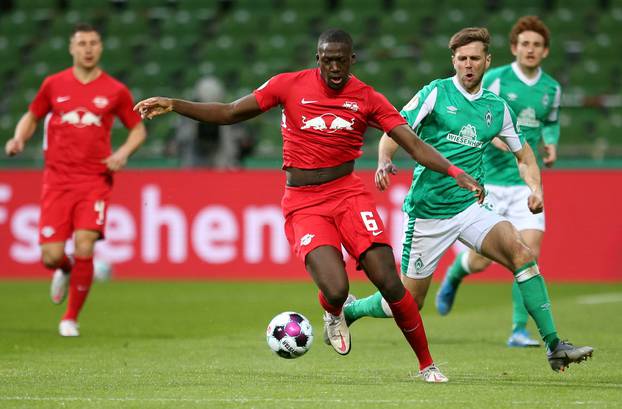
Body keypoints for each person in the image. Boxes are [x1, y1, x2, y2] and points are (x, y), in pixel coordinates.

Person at [134, 29, 485, 383]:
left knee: (391, 282)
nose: (334, 67)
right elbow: (228, 112)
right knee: (336, 289)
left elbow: (412, 143)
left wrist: (455, 171)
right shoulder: (288, 85)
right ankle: (334, 311)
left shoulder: (366, 97)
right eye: (327, 59)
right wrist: (175, 104)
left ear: (352, 60)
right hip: (304, 202)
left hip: (348, 194)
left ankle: (427, 365)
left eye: (341, 60)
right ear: (318, 58)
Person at [343, 27, 593, 372]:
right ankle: (352, 310)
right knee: (408, 300)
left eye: (475, 58)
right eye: (462, 59)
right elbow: (395, 129)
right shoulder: (436, 92)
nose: (468, 65)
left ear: (487, 61)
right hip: (428, 211)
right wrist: (385, 159)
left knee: (522, 252)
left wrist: (536, 189)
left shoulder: (496, 108)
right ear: (454, 61)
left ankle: (554, 345)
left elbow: (525, 156)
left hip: (471, 207)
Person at [4, 23, 146, 337]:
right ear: (71, 48)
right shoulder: (54, 84)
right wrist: (18, 139)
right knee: (51, 256)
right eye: (82, 43)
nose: (88, 49)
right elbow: (32, 115)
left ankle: (70, 318)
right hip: (56, 180)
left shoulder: (115, 90)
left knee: (85, 243)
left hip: (95, 179)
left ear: (101, 47)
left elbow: (138, 128)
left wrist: (122, 153)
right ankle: (64, 269)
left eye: (93, 43)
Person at [435, 16, 562, 348]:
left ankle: (519, 329)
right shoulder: (495, 80)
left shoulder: (552, 89)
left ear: (545, 51)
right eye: (525, 44)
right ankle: (456, 273)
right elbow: (477, 117)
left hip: (523, 181)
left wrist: (550, 142)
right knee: (481, 260)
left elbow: (551, 121)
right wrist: (501, 140)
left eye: (536, 45)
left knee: (528, 253)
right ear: (514, 48)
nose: (530, 50)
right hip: (489, 181)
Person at [169, 76, 254, 168]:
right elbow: (176, 144)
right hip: (194, 161)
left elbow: (244, 143)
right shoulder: (187, 118)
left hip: (223, 160)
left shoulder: (231, 115)